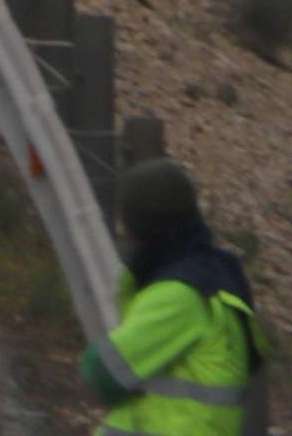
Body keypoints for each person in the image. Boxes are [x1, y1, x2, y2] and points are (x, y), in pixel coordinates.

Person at [81, 157, 264, 434]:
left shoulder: (177, 294)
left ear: (141, 228)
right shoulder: (214, 276)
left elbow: (104, 371)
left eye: (127, 226)